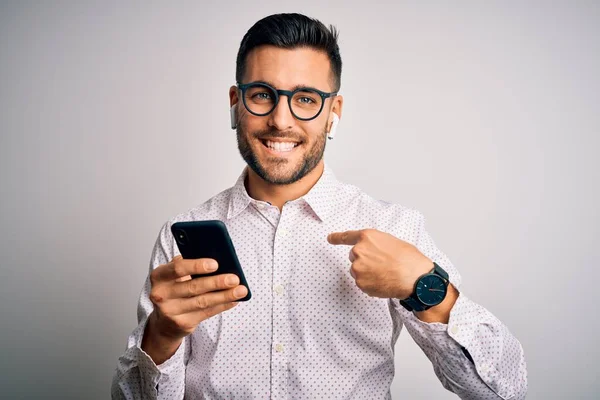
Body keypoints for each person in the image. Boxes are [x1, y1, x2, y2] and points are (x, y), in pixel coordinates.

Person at [112, 13, 527, 399]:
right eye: (262, 95)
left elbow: (504, 391)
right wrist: (161, 337)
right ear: (236, 103)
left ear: (333, 113)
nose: (281, 119)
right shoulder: (182, 233)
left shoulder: (392, 227)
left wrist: (425, 287)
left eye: (306, 99)